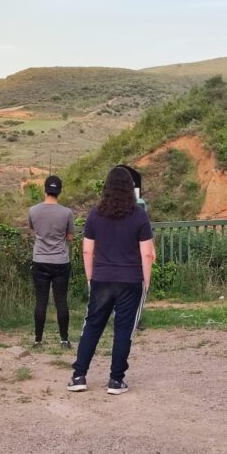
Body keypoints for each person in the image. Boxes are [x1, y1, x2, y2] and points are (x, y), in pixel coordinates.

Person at [68, 167, 156, 395]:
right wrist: (146, 281)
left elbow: (87, 250)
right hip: (131, 280)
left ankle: (78, 376)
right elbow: (147, 253)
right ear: (130, 188)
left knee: (92, 326)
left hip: (102, 278)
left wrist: (91, 277)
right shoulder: (139, 215)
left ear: (106, 187)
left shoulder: (95, 214)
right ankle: (116, 381)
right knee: (124, 330)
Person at [28, 175, 75, 348]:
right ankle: (64, 340)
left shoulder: (33, 211)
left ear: (45, 189)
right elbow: (70, 237)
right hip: (60, 260)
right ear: (60, 191)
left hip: (40, 259)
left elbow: (33, 232)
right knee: (61, 300)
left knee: (41, 300)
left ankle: (38, 340)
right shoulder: (67, 212)